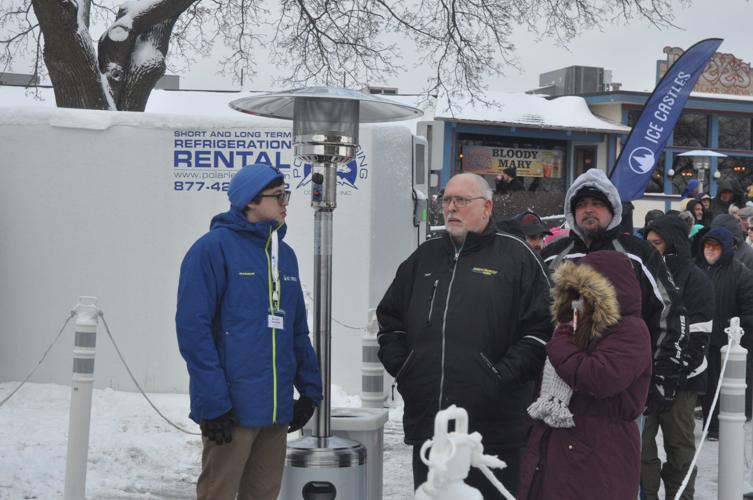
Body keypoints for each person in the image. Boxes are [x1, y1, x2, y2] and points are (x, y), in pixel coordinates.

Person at [377, 172, 552, 497]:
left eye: (461, 200)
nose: (451, 207)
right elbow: (390, 322)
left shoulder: (516, 258)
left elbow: (541, 331)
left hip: (493, 430)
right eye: (446, 200)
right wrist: (407, 370)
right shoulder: (423, 259)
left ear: (486, 207)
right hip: (432, 426)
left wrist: (499, 378)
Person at [176, 164, 323, 500]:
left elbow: (297, 330)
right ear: (250, 201)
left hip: (274, 410)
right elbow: (193, 331)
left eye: (286, 194)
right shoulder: (212, 249)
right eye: (278, 196)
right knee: (220, 493)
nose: (286, 202)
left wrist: (310, 390)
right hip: (230, 411)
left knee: (264, 494)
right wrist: (213, 403)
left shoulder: (284, 256)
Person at [541, 168, 687, 415]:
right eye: (582, 204)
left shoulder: (638, 254)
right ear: (571, 211)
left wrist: (664, 375)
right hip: (556, 383)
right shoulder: (552, 256)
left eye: (597, 203)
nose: (589, 210)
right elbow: (534, 316)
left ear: (613, 210)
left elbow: (668, 311)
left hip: (620, 383)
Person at [518, 251, 652, 500]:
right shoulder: (575, 325)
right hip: (558, 447)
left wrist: (560, 340)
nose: (577, 300)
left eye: (585, 291)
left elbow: (599, 378)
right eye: (573, 291)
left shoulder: (630, 330)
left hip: (599, 451)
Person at [642, 215, 714, 499]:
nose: (651, 249)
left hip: (684, 381)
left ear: (673, 244)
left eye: (656, 243)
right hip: (644, 379)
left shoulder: (697, 279)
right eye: (647, 243)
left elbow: (699, 335)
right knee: (641, 451)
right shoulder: (643, 273)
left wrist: (674, 374)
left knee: (680, 450)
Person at [696, 227, 753, 438]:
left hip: (725, 341)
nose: (710, 250)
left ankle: (716, 428)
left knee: (720, 387)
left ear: (726, 248)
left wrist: (738, 335)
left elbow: (749, 311)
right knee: (702, 386)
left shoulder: (741, 274)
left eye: (715, 246)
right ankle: (708, 423)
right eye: (707, 246)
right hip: (699, 338)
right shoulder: (697, 268)